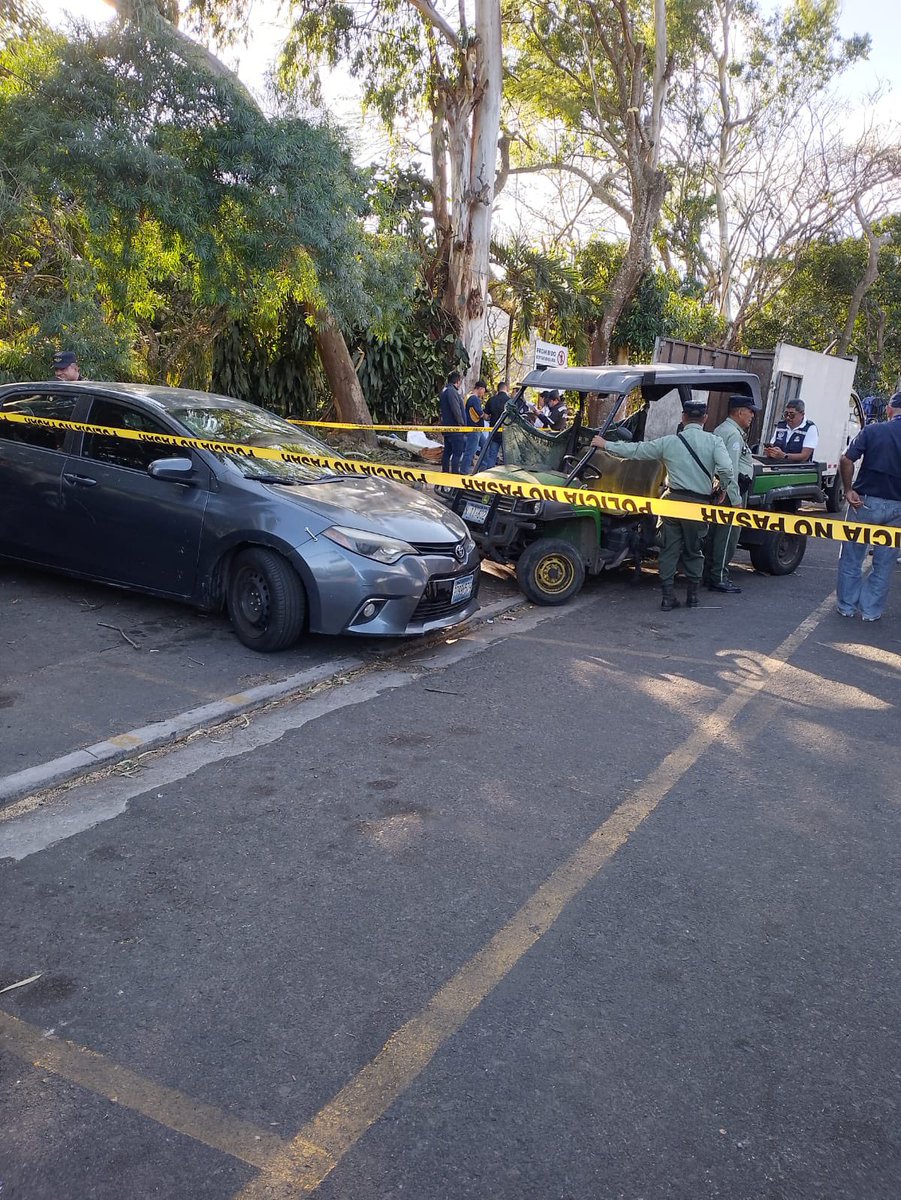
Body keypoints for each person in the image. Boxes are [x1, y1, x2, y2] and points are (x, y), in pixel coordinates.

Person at [591, 396, 736, 611]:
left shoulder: (669, 442)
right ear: (705, 419)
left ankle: (668, 597)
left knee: (669, 548)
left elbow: (636, 451)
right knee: (694, 549)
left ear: (683, 418)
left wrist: (606, 444)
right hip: (698, 505)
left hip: (672, 502)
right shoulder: (715, 442)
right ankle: (693, 596)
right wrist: (722, 488)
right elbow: (726, 470)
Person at [835, 391, 901, 622]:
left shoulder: (873, 431)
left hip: (864, 502)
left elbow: (846, 459)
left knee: (852, 557)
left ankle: (847, 606)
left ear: (889, 410)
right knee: (884, 562)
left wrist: (848, 489)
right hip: (898, 509)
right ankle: (871, 611)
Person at [705, 394, 757, 593]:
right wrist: (734, 499)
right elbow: (731, 469)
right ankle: (719, 577)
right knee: (727, 536)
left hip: (721, 489)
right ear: (740, 412)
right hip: (731, 491)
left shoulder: (722, 429)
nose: (752, 415)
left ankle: (710, 574)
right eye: (749, 411)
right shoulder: (733, 435)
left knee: (715, 534)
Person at [764, 398, 818, 463]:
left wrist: (784, 456)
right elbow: (773, 444)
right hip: (777, 466)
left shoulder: (810, 428)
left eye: (792, 415)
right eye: (786, 414)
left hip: (799, 469)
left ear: (802, 414)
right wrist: (771, 451)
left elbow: (804, 456)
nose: (788, 418)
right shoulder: (781, 425)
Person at [439, 370, 466, 475]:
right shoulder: (451, 392)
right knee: (457, 453)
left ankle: (445, 474)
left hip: (447, 428)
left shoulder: (445, 391)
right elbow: (455, 409)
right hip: (455, 429)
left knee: (447, 452)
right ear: (458, 381)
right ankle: (455, 476)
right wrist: (461, 423)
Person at [483, 380, 511, 469]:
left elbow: (486, 416)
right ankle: (507, 476)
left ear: (497, 389)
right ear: (506, 389)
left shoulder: (491, 400)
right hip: (507, 432)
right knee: (507, 457)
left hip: (494, 431)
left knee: (492, 455)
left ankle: (490, 474)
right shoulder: (510, 402)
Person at [462, 379, 488, 472]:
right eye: (483, 391)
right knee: (471, 451)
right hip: (474, 428)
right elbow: (480, 414)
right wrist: (487, 416)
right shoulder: (474, 399)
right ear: (480, 389)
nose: (483, 394)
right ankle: (464, 471)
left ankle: (483, 468)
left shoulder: (468, 396)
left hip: (476, 428)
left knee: (485, 445)